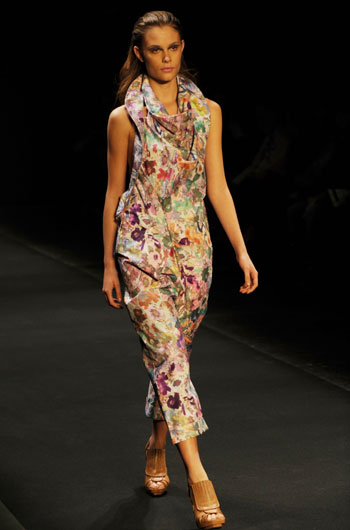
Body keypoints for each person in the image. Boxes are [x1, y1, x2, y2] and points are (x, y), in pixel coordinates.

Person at [102, 10, 258, 529]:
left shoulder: (206, 111)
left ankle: (156, 442)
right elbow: (112, 192)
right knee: (167, 355)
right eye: (155, 49)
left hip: (194, 253)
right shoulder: (125, 118)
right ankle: (198, 477)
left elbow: (218, 185)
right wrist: (108, 263)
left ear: (182, 47)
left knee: (175, 362)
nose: (165, 58)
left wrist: (241, 250)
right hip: (140, 252)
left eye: (173, 48)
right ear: (139, 53)